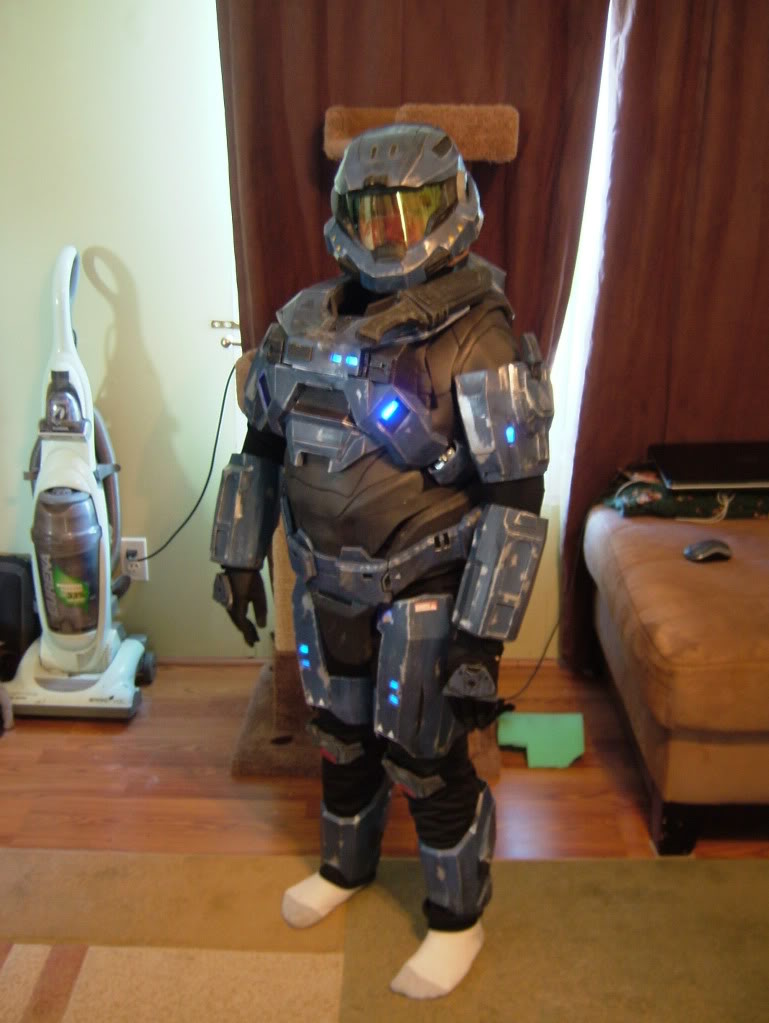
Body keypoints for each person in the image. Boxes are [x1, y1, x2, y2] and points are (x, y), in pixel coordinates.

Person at [211, 123, 553, 999]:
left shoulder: (478, 333)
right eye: (371, 211)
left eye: (409, 210)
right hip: (324, 579)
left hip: (424, 583)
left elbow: (514, 496)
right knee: (338, 738)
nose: (388, 232)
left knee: (423, 753)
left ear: (450, 209)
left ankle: (455, 918)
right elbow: (260, 443)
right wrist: (238, 553)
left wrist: (479, 638)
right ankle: (345, 867)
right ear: (343, 215)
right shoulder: (299, 322)